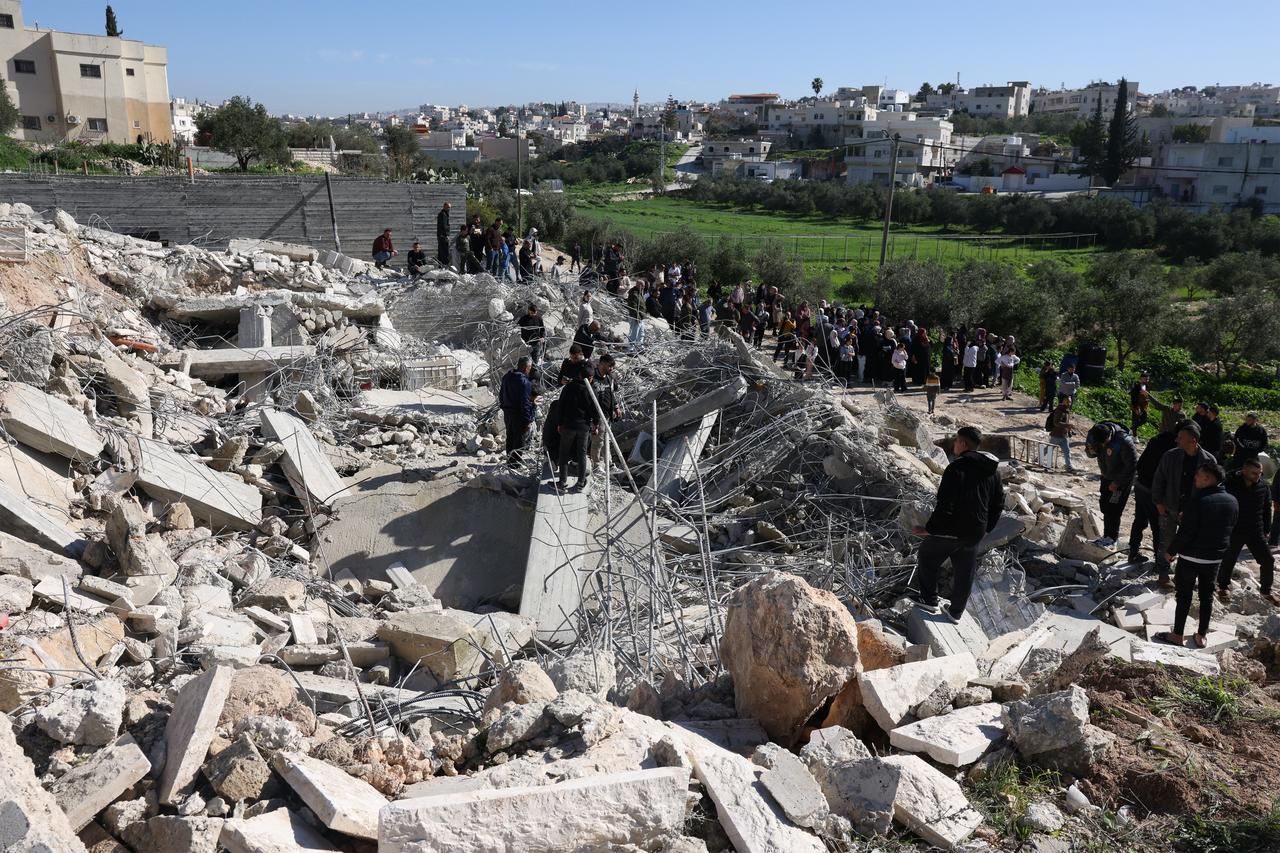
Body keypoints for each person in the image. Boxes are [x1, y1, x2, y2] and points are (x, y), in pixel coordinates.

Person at [912, 426, 1005, 621]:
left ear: (963, 443)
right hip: (976, 530)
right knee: (965, 569)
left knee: (927, 555)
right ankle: (956, 612)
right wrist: (987, 527)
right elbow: (998, 503)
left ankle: (929, 600)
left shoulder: (956, 468)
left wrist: (930, 530)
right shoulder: (993, 472)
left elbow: (946, 503)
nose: (954, 444)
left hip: (952, 528)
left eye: (956, 440)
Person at [1155, 462, 1238, 649]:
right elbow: (1229, 527)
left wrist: (1170, 552)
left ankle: (1177, 635)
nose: (1195, 478)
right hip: (1214, 558)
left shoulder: (1198, 501)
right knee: (1206, 597)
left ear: (1208, 478)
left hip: (1191, 558)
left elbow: (1186, 533)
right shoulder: (1233, 501)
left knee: (1184, 596)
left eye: (1198, 475)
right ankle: (1201, 636)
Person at [1152, 421, 1217, 588]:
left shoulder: (1208, 461)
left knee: (1191, 544)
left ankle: (1184, 575)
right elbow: (1159, 480)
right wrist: (1158, 502)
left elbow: (1213, 489)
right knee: (1165, 542)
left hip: (1194, 512)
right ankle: (1163, 573)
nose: (1177, 440)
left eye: (1181, 438)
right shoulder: (1170, 456)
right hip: (1169, 507)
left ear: (1193, 441)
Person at [1219, 458, 1278, 605]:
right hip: (1234, 530)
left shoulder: (1263, 487)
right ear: (1244, 471)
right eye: (1253, 473)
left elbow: (1266, 509)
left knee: (1268, 560)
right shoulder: (1230, 483)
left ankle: (1265, 591)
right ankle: (1222, 586)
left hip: (1255, 530)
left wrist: (1266, 529)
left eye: (1260, 473)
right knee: (1228, 560)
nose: (1257, 476)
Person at [1129, 424, 1180, 566]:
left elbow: (1140, 464)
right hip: (1154, 492)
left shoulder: (1157, 439)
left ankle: (1133, 553)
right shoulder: (1174, 451)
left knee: (1139, 521)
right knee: (1158, 528)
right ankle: (1160, 562)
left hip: (1141, 486)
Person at [1085, 421, 1137, 547]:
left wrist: (1117, 482)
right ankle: (1106, 536)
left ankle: (1112, 537)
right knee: (1104, 506)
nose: (1103, 445)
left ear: (1110, 435)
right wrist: (1091, 451)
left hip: (1121, 481)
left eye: (1105, 442)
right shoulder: (1093, 434)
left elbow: (1132, 466)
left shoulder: (1124, 441)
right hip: (1106, 476)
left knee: (1114, 509)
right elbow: (1090, 453)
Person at [556, 377, 598, 492]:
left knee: (564, 453)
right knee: (582, 454)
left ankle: (562, 482)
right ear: (590, 378)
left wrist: (559, 423)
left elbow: (560, 406)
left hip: (568, 426)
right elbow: (594, 408)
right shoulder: (590, 389)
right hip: (584, 427)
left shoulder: (568, 387)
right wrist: (596, 424)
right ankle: (580, 483)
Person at [498, 356, 535, 463]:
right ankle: (515, 464)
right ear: (526, 368)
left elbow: (501, 395)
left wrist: (504, 407)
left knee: (510, 437)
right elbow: (525, 403)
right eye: (530, 367)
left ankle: (509, 460)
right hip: (518, 415)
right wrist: (527, 420)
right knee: (519, 440)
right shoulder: (524, 382)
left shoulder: (506, 377)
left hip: (507, 413)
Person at [590, 353, 622, 466]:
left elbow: (611, 393)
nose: (611, 369)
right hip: (597, 414)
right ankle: (596, 464)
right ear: (602, 364)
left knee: (606, 440)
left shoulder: (609, 377)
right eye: (610, 366)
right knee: (598, 441)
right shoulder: (592, 377)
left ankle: (608, 464)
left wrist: (616, 406)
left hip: (607, 414)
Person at [1047, 396, 1076, 473]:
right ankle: (1043, 463)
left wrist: (1069, 429)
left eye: (1070, 402)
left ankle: (1069, 467)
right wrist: (1068, 425)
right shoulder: (1059, 410)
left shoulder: (1067, 411)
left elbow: (1065, 423)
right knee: (1048, 450)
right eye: (1067, 401)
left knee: (1067, 452)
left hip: (1064, 436)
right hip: (1056, 435)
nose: (1069, 403)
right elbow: (1056, 423)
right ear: (1063, 401)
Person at [625, 283, 647, 350]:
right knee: (634, 333)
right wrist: (637, 317)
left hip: (641, 316)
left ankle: (640, 346)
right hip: (636, 317)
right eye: (642, 285)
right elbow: (633, 307)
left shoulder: (639, 292)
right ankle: (631, 348)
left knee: (641, 332)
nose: (644, 287)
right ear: (639, 285)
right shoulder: (634, 294)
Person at [436, 202, 451, 266]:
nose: (449, 209)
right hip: (443, 236)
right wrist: (446, 235)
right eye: (448, 207)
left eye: (450, 207)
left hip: (440, 236)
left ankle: (440, 265)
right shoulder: (443, 214)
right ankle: (444, 264)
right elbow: (444, 226)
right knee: (445, 251)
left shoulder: (443, 214)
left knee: (441, 251)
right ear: (444, 207)